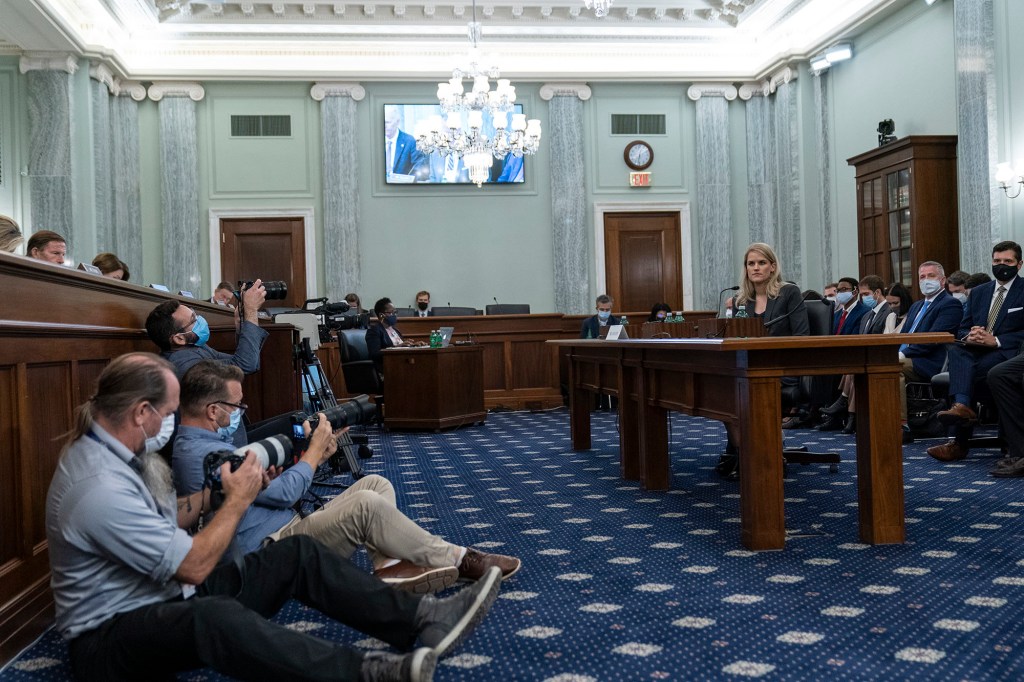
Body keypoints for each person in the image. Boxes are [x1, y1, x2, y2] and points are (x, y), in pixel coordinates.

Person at [46, 352, 504, 682]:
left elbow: (175, 516)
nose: (170, 423)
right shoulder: (98, 486)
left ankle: (421, 618)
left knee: (298, 553)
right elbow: (194, 565)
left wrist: (215, 495)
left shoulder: (125, 455)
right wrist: (240, 500)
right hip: (110, 639)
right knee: (214, 618)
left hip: (164, 596)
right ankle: (365, 673)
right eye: (167, 413)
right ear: (141, 412)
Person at [173, 361, 521, 591]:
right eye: (237, 407)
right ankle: (463, 559)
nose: (241, 414)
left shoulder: (207, 444)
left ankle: (390, 567)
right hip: (271, 549)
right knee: (367, 504)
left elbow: (278, 491)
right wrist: (311, 454)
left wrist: (318, 456)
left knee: (375, 484)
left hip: (286, 525)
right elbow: (282, 496)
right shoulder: (203, 454)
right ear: (213, 410)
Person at [928, 242, 1024, 463]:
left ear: (1019, 264)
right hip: (977, 350)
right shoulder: (980, 292)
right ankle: (961, 407)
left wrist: (996, 340)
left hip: (1009, 353)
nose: (1002, 265)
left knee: (969, 374)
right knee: (956, 347)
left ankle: (960, 442)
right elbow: (963, 326)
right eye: (997, 261)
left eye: (1007, 261)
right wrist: (970, 335)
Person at [718, 243, 808, 478]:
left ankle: (766, 458)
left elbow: (801, 337)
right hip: (746, 369)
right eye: (751, 263)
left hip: (782, 368)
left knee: (751, 392)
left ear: (773, 267)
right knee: (723, 396)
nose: (756, 268)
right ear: (745, 268)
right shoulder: (740, 301)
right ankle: (747, 455)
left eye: (761, 263)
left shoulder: (789, 293)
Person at [817, 275, 894, 435]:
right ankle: (842, 413)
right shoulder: (865, 314)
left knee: (852, 367)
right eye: (837, 291)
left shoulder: (883, 311)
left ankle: (846, 410)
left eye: (865, 294)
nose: (863, 297)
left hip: (872, 356)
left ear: (877, 292)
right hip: (856, 354)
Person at [145, 280, 269, 380]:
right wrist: (251, 310)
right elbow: (245, 365)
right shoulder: (185, 364)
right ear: (179, 338)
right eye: (193, 320)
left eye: (195, 314)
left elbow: (241, 361)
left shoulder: (194, 346)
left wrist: (240, 322)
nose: (200, 320)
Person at [366, 297, 425, 377]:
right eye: (391, 312)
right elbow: (375, 354)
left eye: (395, 312)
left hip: (401, 365)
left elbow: (402, 348)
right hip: (387, 369)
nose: (394, 315)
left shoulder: (395, 330)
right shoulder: (374, 331)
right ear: (381, 315)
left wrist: (413, 345)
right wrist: (397, 346)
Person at [384, 105, 427, 180]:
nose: (384, 126)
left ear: (397, 122)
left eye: (387, 122)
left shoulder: (410, 142)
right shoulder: (374, 141)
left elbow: (418, 168)